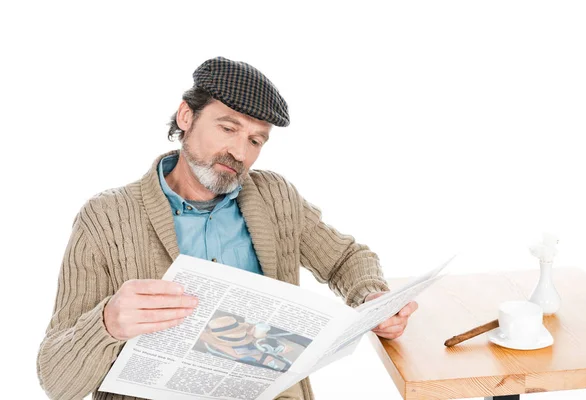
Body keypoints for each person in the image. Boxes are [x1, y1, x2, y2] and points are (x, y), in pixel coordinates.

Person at [36, 57, 419, 400]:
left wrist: (371, 298)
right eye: (227, 128)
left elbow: (347, 259)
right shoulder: (106, 218)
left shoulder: (275, 197)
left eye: (255, 140)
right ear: (186, 117)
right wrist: (106, 323)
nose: (240, 153)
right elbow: (56, 381)